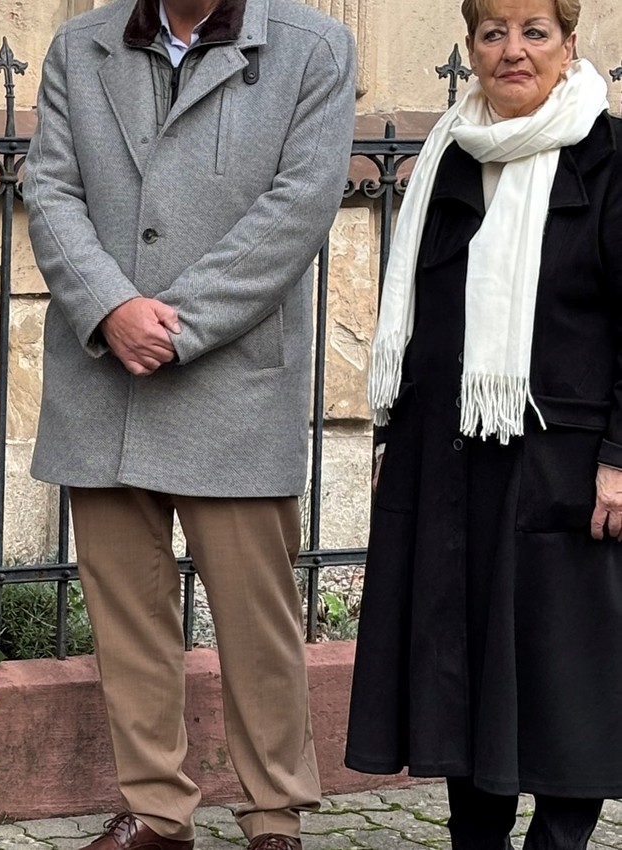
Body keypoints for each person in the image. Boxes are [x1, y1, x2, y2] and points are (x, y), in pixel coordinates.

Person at [25, 0, 357, 848]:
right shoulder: (79, 46)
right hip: (105, 383)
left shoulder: (313, 49)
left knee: (257, 622)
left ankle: (274, 816)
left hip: (233, 380)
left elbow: (299, 208)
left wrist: (176, 323)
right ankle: (157, 815)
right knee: (128, 617)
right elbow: (51, 189)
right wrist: (110, 308)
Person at [346, 1, 622, 847]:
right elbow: (424, 318)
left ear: (570, 45)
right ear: (470, 47)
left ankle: (560, 840)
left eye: (534, 32)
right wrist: (396, 438)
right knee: (465, 670)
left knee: (564, 674)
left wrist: (619, 456)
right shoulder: (447, 158)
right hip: (456, 461)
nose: (513, 51)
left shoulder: (607, 163)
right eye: (493, 32)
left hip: (566, 470)